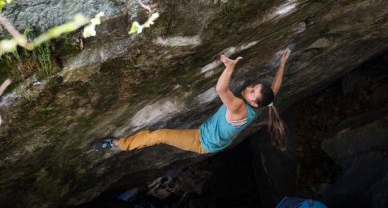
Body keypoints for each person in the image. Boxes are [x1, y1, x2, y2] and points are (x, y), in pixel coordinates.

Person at [93, 48, 291, 154]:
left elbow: (220, 89)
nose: (248, 88)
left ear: (254, 103)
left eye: (252, 91)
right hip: (216, 140)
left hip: (202, 141)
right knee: (160, 134)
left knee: (158, 135)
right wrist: (281, 65)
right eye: (252, 86)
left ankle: (117, 144)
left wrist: (229, 68)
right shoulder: (263, 106)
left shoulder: (240, 107)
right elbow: (274, 90)